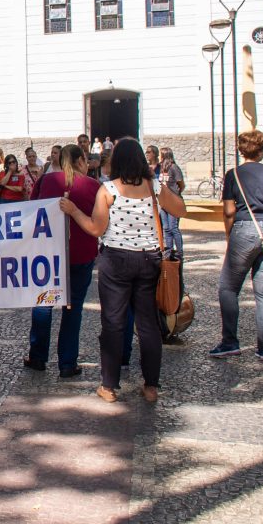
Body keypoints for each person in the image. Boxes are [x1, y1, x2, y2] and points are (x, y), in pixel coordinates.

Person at [60, 137, 186, 403]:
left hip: (115, 260)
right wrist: (159, 186)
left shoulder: (108, 190)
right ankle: (151, 385)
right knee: (148, 324)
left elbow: (95, 228)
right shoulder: (153, 187)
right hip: (148, 259)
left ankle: (109, 385)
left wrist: (73, 212)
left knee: (113, 322)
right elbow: (180, 209)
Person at [209, 130, 263, 361]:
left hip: (244, 228)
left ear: (240, 150)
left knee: (228, 287)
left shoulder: (233, 174)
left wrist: (229, 236)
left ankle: (230, 341)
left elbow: (228, 211)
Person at [26, 145, 100, 377]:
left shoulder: (47, 181)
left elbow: (31, 208)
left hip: (49, 254)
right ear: (79, 161)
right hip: (81, 253)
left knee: (43, 303)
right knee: (73, 307)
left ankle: (38, 356)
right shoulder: (93, 186)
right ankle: (67, 363)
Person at [158, 147, 186, 258]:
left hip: (173, 201)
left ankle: (179, 252)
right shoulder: (162, 169)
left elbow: (181, 184)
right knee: (166, 228)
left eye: (160, 154)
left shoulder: (174, 168)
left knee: (173, 227)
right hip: (164, 202)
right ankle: (168, 252)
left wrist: (176, 194)